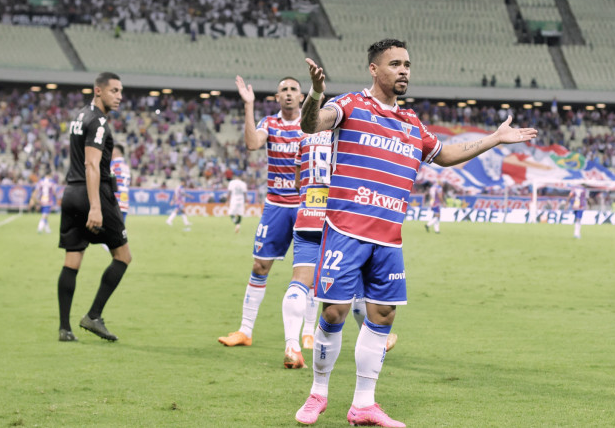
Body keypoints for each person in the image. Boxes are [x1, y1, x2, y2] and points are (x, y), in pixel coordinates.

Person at [295, 39, 537, 427]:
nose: (404, 70)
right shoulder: (349, 105)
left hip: (389, 236)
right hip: (346, 229)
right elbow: (310, 125)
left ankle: (363, 405)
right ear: (374, 69)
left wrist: (493, 140)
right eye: (395, 63)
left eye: (407, 64)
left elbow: (446, 156)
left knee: (383, 314)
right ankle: (318, 393)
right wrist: (316, 93)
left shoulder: (412, 124)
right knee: (336, 311)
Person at [282, 129, 398, 370]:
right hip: (340, 221)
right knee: (355, 286)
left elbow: (296, 182)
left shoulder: (304, 139)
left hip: (306, 217)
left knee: (299, 282)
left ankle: (292, 346)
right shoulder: (351, 135)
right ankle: (377, 339)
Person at [217, 75, 304, 347]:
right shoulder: (270, 123)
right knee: (259, 265)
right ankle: (245, 331)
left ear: (301, 96)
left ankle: (309, 333)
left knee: (307, 271)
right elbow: (253, 143)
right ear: (277, 98)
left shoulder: (311, 124)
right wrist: (248, 105)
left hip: (304, 206)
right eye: (283, 90)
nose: (288, 94)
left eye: (293, 89)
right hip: (277, 205)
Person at [56, 72, 132, 342]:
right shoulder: (98, 121)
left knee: (72, 261)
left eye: (120, 91)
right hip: (92, 194)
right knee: (123, 256)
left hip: (71, 192)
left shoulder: (79, 117)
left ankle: (65, 329)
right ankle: (93, 316)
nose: (119, 96)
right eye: (114, 90)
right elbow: (91, 164)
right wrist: (97, 207)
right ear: (98, 91)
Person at [110, 144, 130, 222]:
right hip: (124, 202)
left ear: (114, 152)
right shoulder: (126, 166)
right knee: (121, 231)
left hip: (114, 202)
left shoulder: (113, 164)